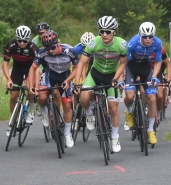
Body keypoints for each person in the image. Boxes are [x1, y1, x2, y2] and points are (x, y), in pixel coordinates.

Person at [74, 16, 127, 153]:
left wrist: (116, 78)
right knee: (83, 98)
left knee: (113, 109)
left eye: (107, 32)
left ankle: (115, 137)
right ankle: (89, 113)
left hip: (111, 76)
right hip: (95, 74)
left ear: (114, 31)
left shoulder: (121, 44)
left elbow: (123, 64)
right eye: (101, 31)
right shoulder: (93, 43)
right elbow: (82, 63)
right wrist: (77, 83)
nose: (104, 34)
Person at [28, 30, 79, 148]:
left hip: (65, 76)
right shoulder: (43, 53)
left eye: (53, 47)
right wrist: (31, 86)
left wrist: (68, 81)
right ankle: (45, 113)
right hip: (50, 76)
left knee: (67, 105)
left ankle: (67, 133)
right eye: (48, 48)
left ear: (58, 43)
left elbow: (77, 67)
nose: (51, 50)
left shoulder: (70, 51)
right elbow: (33, 68)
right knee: (41, 96)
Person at [122, 22, 162, 145]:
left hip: (145, 67)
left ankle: (150, 130)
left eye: (150, 36)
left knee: (152, 98)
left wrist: (154, 77)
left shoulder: (158, 43)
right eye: (145, 36)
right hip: (131, 67)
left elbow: (158, 61)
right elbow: (123, 62)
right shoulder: (133, 43)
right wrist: (121, 77)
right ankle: (129, 111)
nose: (148, 39)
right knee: (129, 95)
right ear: (140, 35)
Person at [2, 25, 39, 136]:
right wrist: (8, 80)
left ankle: (31, 111)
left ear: (29, 39)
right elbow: (5, 64)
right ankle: (13, 119)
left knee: (30, 89)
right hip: (17, 70)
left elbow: (37, 67)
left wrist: (35, 84)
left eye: (25, 41)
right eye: (20, 40)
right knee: (13, 96)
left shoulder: (33, 48)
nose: (22, 43)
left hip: (30, 70)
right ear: (16, 38)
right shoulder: (11, 45)